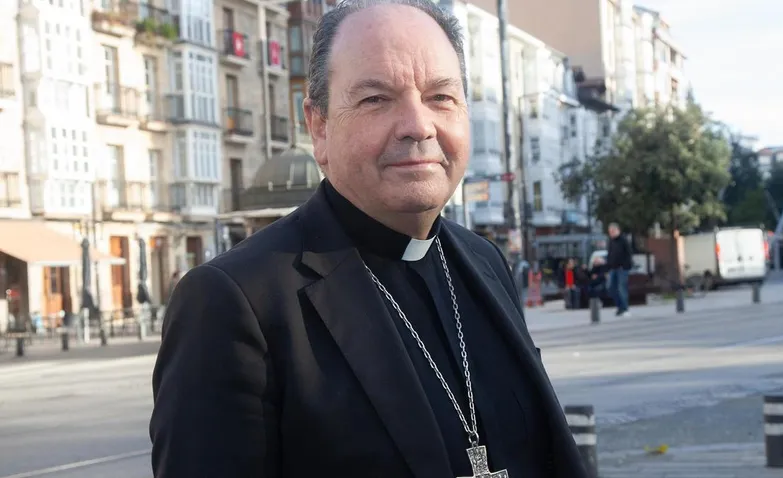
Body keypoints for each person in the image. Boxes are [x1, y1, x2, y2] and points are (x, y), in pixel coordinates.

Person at [148, 1, 588, 477]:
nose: (418, 125)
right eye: (376, 99)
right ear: (318, 126)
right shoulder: (235, 301)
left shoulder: (485, 261)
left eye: (441, 97)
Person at [606, 223, 633, 316]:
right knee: (610, 287)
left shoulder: (623, 240)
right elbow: (609, 254)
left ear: (617, 230)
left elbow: (629, 253)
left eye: (612, 231)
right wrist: (608, 266)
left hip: (622, 268)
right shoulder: (611, 241)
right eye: (610, 232)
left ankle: (625, 308)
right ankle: (619, 306)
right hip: (613, 268)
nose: (611, 233)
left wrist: (626, 265)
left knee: (622, 287)